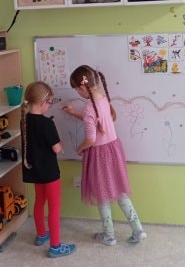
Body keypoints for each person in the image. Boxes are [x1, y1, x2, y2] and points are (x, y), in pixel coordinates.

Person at [62, 65, 147, 246]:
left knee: (102, 196)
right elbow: (94, 122)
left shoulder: (89, 108)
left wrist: (79, 149)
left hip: (99, 156)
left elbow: (91, 138)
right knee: (120, 192)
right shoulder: (103, 100)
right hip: (113, 151)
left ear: (83, 87)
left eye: (77, 89)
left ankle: (109, 235)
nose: (77, 92)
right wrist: (74, 113)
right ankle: (138, 229)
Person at [21, 81, 76, 258]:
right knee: (54, 207)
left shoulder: (24, 120)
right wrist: (60, 144)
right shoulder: (46, 124)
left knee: (39, 201)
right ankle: (55, 246)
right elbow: (56, 149)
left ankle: (41, 234)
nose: (50, 106)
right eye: (50, 103)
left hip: (34, 171)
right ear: (42, 102)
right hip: (50, 172)